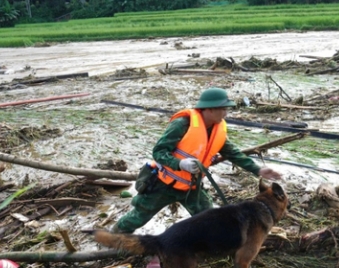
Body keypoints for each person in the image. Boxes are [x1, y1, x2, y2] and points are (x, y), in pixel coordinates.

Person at [112, 87, 282, 233]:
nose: (226, 112)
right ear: (209, 109)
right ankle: (113, 238)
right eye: (223, 108)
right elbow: (159, 151)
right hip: (163, 186)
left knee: (210, 218)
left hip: (192, 188)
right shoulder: (182, 124)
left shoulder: (217, 129)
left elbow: (233, 153)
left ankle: (211, 246)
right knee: (138, 218)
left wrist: (258, 170)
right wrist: (179, 164)